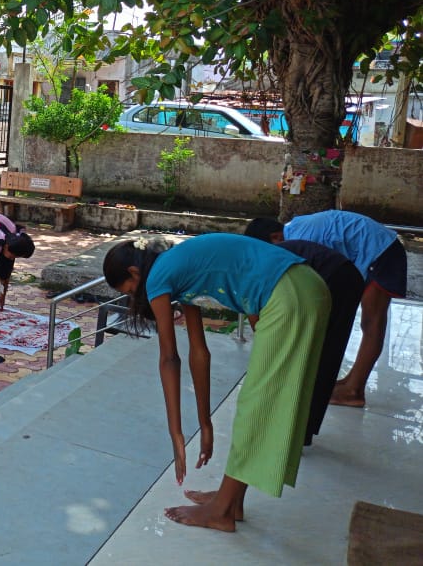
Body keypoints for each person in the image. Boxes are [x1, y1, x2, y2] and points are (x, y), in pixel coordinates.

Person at [102, 233, 330, 532]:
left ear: (134, 273)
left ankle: (221, 511)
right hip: (305, 286)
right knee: (263, 399)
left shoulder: (156, 277)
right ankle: (231, 500)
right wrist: (205, 424)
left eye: (132, 291)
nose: (137, 299)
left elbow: (169, 359)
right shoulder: (177, 266)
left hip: (288, 294)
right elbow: (199, 353)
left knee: (257, 403)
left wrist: (176, 434)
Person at [244, 210, 406, 408]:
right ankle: (350, 382)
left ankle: (354, 391)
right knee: (367, 322)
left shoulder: (299, 242)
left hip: (381, 252)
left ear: (276, 237)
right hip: (373, 248)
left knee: (371, 322)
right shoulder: (296, 229)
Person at [243, 236, 366, 445]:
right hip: (343, 277)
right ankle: (301, 430)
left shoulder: (257, 265)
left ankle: (299, 431)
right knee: (321, 354)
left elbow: (257, 318)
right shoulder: (265, 256)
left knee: (320, 356)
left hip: (337, 279)